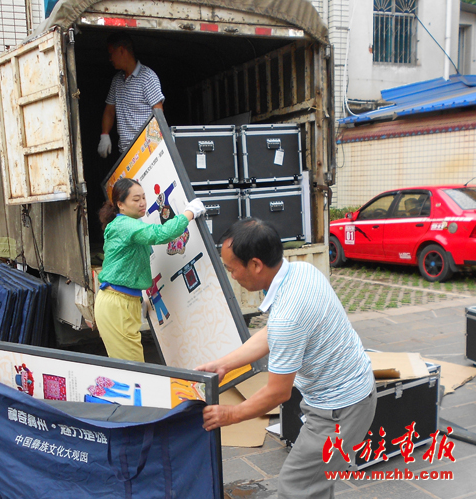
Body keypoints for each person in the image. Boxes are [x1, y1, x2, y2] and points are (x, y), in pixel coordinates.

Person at [196, 218, 376, 499]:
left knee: (296, 486)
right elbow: (271, 334)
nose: (232, 276)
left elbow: (277, 392)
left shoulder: (288, 317)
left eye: (232, 269)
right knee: (314, 485)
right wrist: (225, 364)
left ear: (256, 264)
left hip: (340, 410)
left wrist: (230, 414)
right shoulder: (302, 271)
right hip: (348, 395)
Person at [94, 177, 205, 361]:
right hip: (117, 304)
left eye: (144, 197)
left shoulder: (126, 224)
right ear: (120, 204)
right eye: (136, 199)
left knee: (130, 365)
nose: (142, 203)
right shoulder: (125, 225)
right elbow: (161, 234)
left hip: (121, 302)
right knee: (132, 367)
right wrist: (189, 213)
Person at [98, 32, 164, 157]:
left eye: (111, 54)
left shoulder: (147, 77)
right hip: (125, 152)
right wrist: (104, 135)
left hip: (146, 151)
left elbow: (158, 113)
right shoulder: (117, 81)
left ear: (121, 50)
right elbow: (110, 110)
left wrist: (150, 148)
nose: (110, 59)